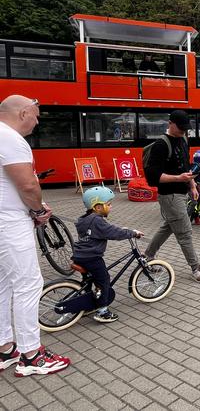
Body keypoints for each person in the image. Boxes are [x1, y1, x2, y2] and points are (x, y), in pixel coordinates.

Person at [0, 95, 70, 376]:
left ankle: (5, 347)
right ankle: (31, 355)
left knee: (3, 284)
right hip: (11, 224)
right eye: (36, 115)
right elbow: (28, 186)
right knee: (28, 283)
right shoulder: (11, 139)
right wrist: (39, 210)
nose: (38, 121)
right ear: (24, 112)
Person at [143, 110, 200, 283]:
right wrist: (178, 179)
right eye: (180, 128)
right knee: (185, 232)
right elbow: (153, 177)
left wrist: (192, 185)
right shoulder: (161, 145)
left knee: (169, 226)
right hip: (169, 195)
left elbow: (185, 166)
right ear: (170, 123)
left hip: (181, 191)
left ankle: (147, 256)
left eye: (185, 129)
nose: (183, 131)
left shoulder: (183, 139)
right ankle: (196, 268)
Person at [72, 186, 144, 323]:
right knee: (104, 280)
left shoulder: (85, 219)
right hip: (91, 257)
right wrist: (132, 233)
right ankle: (102, 312)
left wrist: (121, 229)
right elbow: (112, 232)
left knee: (89, 280)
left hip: (80, 255)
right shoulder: (97, 220)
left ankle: (88, 303)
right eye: (108, 204)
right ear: (97, 207)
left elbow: (107, 229)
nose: (110, 207)